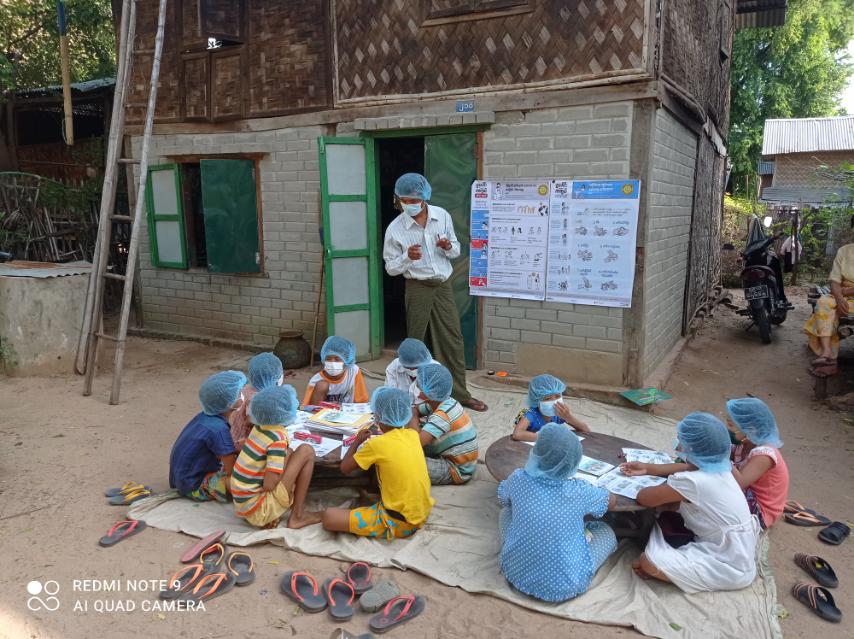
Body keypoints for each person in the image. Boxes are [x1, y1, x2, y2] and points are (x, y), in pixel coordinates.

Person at [382, 172, 487, 412]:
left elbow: (456, 250)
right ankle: (418, 398)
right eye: (403, 200)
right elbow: (390, 268)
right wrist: (407, 257)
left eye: (412, 200)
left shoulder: (442, 216)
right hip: (417, 287)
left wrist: (448, 246)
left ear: (424, 196)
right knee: (417, 342)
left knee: (452, 339)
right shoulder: (396, 228)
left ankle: (460, 394)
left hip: (442, 286)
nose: (408, 205)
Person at [622, 412, 759, 593]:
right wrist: (648, 468)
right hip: (737, 549)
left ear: (692, 449)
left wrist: (653, 481)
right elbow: (687, 466)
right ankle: (672, 568)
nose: (678, 445)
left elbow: (645, 498)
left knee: (647, 561)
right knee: (666, 513)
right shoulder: (724, 469)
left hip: (728, 564)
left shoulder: (694, 481)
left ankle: (670, 573)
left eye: (681, 441)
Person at [498, 423, 617, 602]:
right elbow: (611, 502)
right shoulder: (580, 490)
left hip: (515, 571)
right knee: (606, 532)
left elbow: (503, 499)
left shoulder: (518, 478)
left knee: (506, 513)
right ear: (574, 461)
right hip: (567, 584)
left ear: (536, 452)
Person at [321, 387, 434, 540]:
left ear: (378, 417)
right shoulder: (413, 435)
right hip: (420, 513)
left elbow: (345, 468)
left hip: (397, 522)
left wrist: (357, 441)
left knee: (329, 517)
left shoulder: (377, 444)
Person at [231, 385, 321, 529]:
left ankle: (274, 515)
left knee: (290, 452)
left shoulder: (259, 427)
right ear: (284, 413)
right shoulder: (277, 438)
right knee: (306, 450)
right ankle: (297, 516)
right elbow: (269, 485)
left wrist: (287, 459)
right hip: (258, 509)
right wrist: (287, 465)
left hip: (244, 505)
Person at [169, 371, 247, 502]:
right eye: (239, 393)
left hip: (181, 478)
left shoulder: (204, 417)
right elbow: (232, 471)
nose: (242, 396)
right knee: (245, 482)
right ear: (228, 404)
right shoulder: (219, 430)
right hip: (193, 486)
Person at [726, 397, 789, 528]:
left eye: (731, 425)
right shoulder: (745, 443)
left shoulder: (764, 454)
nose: (728, 429)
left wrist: (719, 455)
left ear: (751, 429)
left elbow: (739, 482)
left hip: (759, 511)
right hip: (746, 493)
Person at [412, 363, 479, 485]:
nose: (416, 388)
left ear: (428, 392)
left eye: (419, 386)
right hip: (460, 459)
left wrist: (413, 421)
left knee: (404, 462)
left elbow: (415, 444)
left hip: (457, 470)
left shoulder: (442, 415)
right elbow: (415, 409)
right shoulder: (445, 401)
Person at [804, 240, 854, 368]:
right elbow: (835, 280)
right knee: (824, 303)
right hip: (843, 295)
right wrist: (839, 298)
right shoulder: (844, 250)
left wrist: (847, 291)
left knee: (836, 309)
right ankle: (827, 354)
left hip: (847, 292)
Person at [229, 352, 284, 451]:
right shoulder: (260, 400)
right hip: (245, 445)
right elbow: (251, 422)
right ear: (275, 378)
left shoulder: (246, 389)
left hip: (235, 438)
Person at [511, 374, 590, 442]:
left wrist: (568, 416)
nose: (554, 401)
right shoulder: (531, 414)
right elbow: (517, 434)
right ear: (536, 401)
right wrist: (547, 438)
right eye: (547, 399)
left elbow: (585, 430)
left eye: (557, 396)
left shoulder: (559, 414)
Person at [303, 335, 369, 405]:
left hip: (348, 412)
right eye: (328, 359)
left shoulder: (353, 371)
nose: (332, 363)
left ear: (347, 361)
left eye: (337, 359)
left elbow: (361, 401)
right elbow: (308, 407)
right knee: (322, 385)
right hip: (325, 413)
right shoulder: (316, 380)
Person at [385, 337, 438, 403]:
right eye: (407, 367)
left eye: (416, 367)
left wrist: (419, 409)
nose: (412, 370)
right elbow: (390, 394)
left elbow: (436, 400)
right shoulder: (394, 367)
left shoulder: (436, 371)